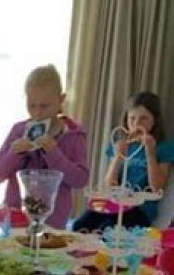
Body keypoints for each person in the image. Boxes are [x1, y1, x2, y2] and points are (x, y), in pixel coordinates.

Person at [0, 64, 88, 230]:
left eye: (44, 106)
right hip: (16, 220)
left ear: (61, 100)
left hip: (53, 223)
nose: (37, 113)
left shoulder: (74, 135)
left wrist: (54, 155)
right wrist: (14, 154)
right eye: (31, 105)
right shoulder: (19, 130)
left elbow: (80, 180)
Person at [73, 91, 174, 232]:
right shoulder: (121, 144)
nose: (137, 124)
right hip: (114, 203)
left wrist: (150, 153)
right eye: (132, 118)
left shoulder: (163, 147)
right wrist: (117, 156)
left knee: (107, 230)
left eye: (144, 118)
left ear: (155, 120)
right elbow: (109, 184)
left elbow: (157, 188)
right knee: (79, 225)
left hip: (140, 210)